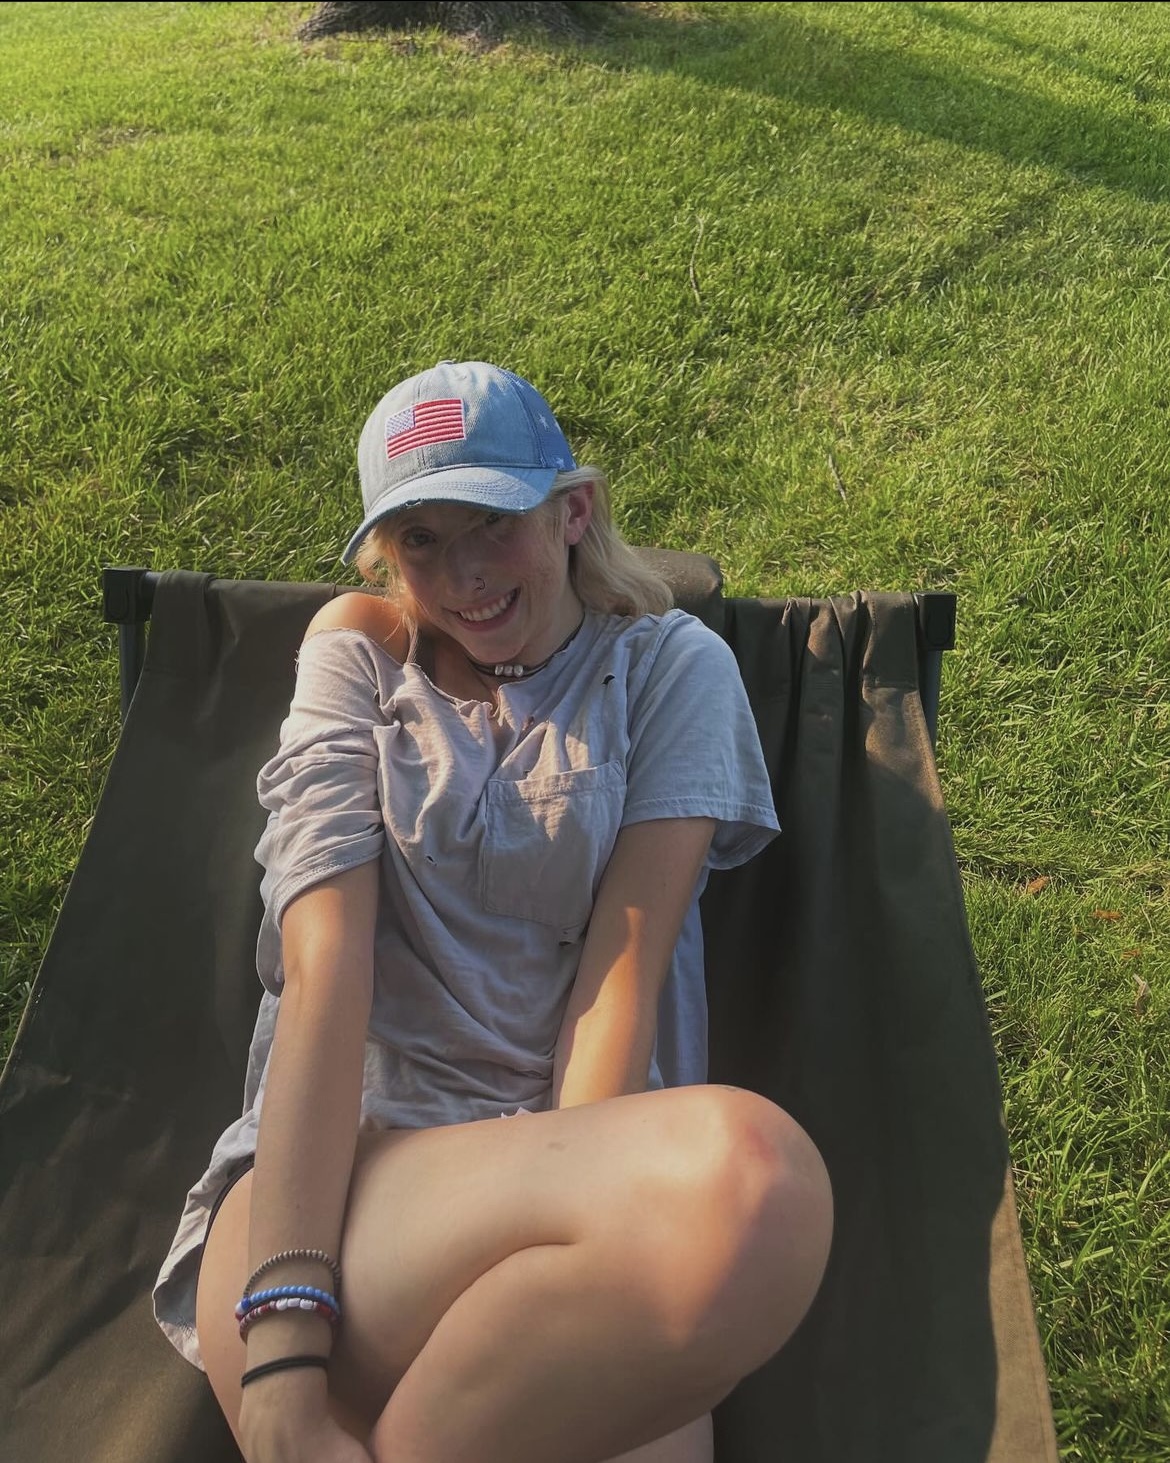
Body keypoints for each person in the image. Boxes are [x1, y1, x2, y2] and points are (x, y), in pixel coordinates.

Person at [153, 360, 833, 1463]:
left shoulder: (666, 669)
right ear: (385, 553)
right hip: (337, 1210)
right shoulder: (359, 654)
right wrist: (282, 1341)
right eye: (421, 539)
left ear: (574, 511)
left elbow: (623, 969)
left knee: (748, 1199)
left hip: (579, 1202)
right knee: (756, 1175)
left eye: (494, 522)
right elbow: (326, 972)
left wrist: (579, 1217)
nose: (464, 574)